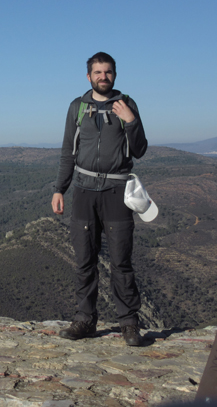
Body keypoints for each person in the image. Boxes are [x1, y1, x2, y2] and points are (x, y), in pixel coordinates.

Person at [51, 52, 148, 346]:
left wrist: (130, 121)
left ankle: (129, 324)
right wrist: (59, 188)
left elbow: (140, 149)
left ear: (115, 75)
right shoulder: (77, 107)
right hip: (82, 192)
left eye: (107, 72)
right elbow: (68, 151)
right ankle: (84, 320)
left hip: (117, 193)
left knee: (121, 261)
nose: (103, 77)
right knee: (84, 260)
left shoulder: (126, 105)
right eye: (97, 72)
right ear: (89, 76)